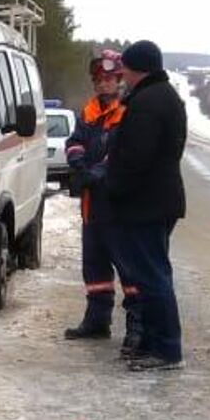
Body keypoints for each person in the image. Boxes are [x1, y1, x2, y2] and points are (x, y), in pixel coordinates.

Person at [100, 40, 187, 372]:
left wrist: (115, 187)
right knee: (151, 274)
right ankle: (153, 343)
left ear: (137, 69)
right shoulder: (164, 96)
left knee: (152, 277)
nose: (122, 77)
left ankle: (165, 349)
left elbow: (136, 158)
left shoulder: (148, 103)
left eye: (126, 71)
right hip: (157, 200)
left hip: (145, 203)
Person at [61, 48, 142, 355]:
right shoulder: (89, 110)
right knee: (94, 267)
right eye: (98, 79)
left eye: (108, 78)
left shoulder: (128, 110)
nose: (102, 84)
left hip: (118, 203)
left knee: (130, 269)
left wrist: (97, 173)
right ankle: (97, 320)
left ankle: (137, 325)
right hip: (92, 204)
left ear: (119, 79)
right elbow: (75, 142)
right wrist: (79, 167)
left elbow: (121, 152)